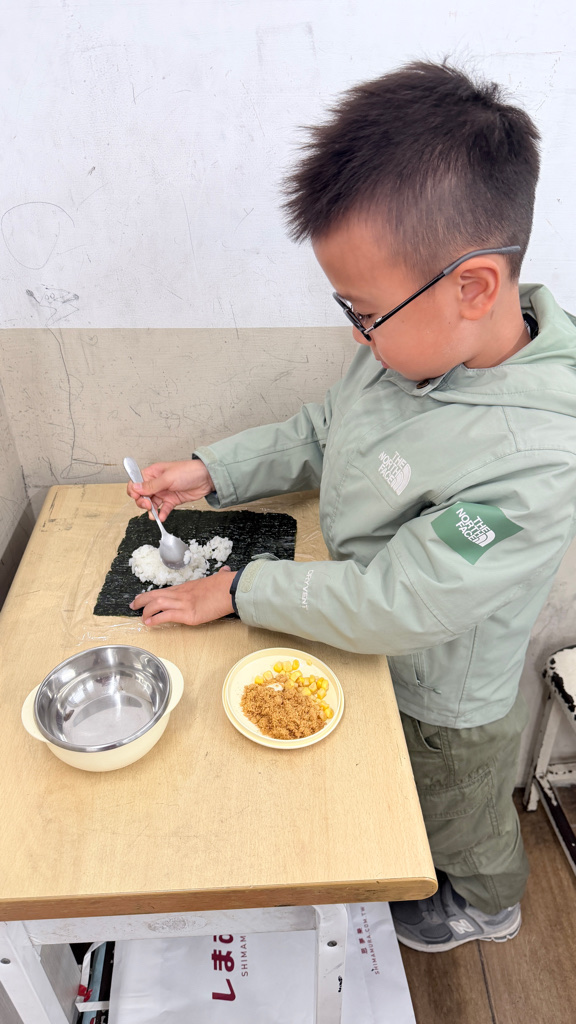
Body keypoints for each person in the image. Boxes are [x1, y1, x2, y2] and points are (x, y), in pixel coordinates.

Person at [127, 60, 576, 952]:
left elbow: (400, 602)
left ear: (474, 288)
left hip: (446, 691)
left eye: (366, 313)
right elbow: (329, 425)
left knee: (457, 807)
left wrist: (240, 589)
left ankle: (487, 904)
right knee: (402, 786)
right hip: (369, 638)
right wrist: (216, 469)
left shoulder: (533, 457)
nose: (360, 336)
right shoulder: (411, 346)